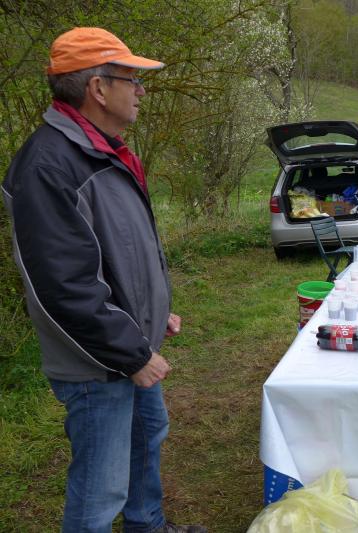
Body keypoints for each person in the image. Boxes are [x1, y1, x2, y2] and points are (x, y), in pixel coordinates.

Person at [2, 28, 206, 532]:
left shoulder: (101, 150)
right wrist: (131, 353)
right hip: (96, 362)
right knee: (101, 486)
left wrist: (152, 313)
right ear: (98, 87)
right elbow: (64, 285)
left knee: (147, 436)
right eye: (131, 80)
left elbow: (118, 250)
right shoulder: (49, 166)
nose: (141, 91)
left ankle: (146, 525)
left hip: (123, 342)